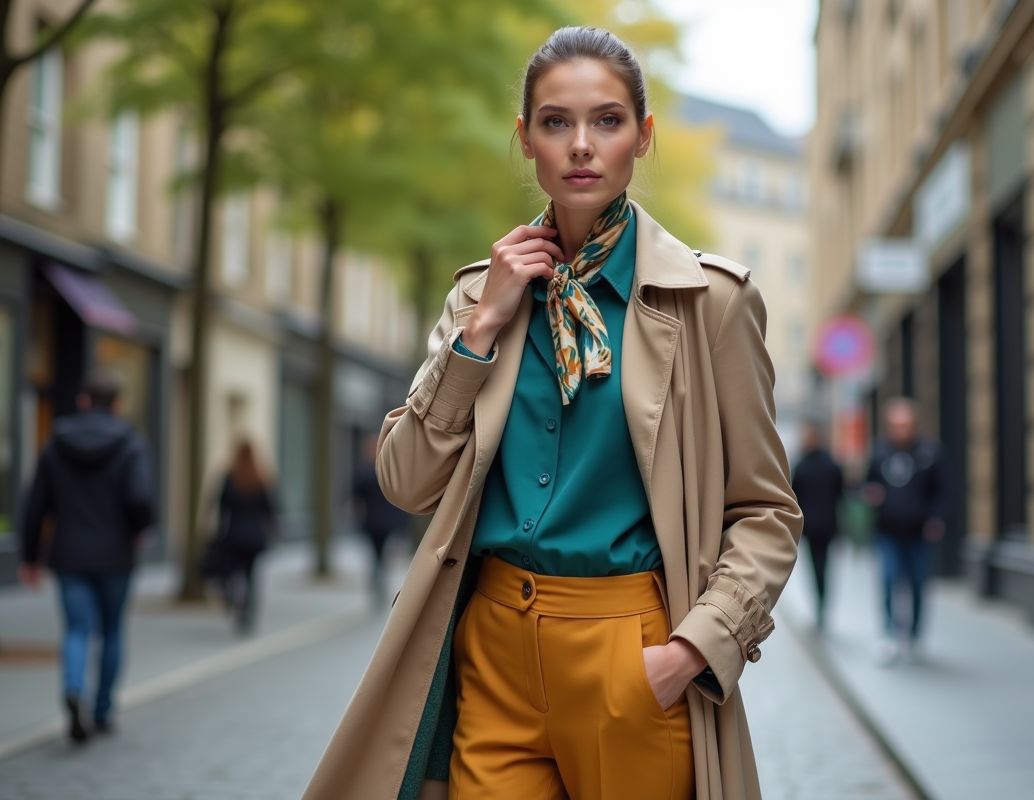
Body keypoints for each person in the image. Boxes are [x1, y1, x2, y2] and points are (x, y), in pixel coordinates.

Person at [302, 27, 802, 800]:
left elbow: (766, 511)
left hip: (631, 651)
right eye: (555, 122)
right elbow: (404, 480)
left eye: (607, 121)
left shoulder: (713, 304)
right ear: (526, 140)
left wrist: (692, 651)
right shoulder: (481, 294)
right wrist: (478, 334)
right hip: (493, 649)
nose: (580, 145)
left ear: (643, 137)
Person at [19, 370, 155, 743]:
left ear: (82, 401)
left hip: (69, 554)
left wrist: (29, 556)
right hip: (115, 554)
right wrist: (139, 528)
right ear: (117, 405)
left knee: (77, 629)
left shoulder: (55, 442)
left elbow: (35, 504)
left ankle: (74, 687)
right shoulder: (131, 443)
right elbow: (141, 498)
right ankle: (102, 708)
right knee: (111, 631)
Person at [862, 398, 948, 665]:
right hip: (888, 531)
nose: (901, 429)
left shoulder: (930, 452)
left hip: (919, 533)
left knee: (918, 584)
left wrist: (937, 518)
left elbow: (943, 490)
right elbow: (866, 483)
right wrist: (869, 495)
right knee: (888, 580)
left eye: (906, 424)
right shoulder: (879, 452)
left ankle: (914, 636)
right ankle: (888, 635)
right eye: (896, 425)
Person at [212, 440, 276, 634]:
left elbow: (222, 506)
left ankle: (237, 604)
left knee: (234, 573)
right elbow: (270, 509)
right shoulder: (260, 477)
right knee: (251, 575)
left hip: (234, 534)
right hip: (255, 536)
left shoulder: (230, 477)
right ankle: (249, 610)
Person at [791, 421, 845, 631]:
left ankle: (822, 605)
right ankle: (820, 605)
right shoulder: (810, 464)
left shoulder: (812, 464)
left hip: (821, 526)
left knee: (821, 568)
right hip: (817, 527)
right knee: (819, 568)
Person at [352, 435, 409, 601]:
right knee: (377, 553)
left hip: (381, 521)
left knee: (379, 553)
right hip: (375, 521)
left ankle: (378, 580)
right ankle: (378, 580)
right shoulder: (375, 471)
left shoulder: (375, 470)